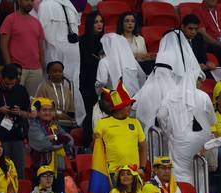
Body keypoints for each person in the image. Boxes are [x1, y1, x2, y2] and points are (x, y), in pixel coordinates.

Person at [157, 72, 215, 186]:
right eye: (198, 80)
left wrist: (168, 131)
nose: (200, 83)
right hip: (201, 141)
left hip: (180, 141)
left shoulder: (171, 95)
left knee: (180, 171)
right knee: (199, 171)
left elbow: (161, 116)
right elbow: (212, 119)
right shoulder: (203, 95)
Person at [38, 0, 86, 127]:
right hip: (72, 50)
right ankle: (73, 115)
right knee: (73, 82)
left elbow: (42, 32)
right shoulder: (71, 6)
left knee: (52, 82)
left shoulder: (45, 5)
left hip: (54, 49)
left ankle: (54, 116)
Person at [0, 64, 32, 179]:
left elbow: (30, 114)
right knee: (2, 173)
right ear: (2, 78)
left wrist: (19, 112)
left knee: (19, 173)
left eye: (12, 83)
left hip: (18, 137)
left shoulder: (21, 90)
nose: (10, 86)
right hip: (0, 139)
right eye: (7, 84)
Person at [94, 81, 147, 175]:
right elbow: (96, 147)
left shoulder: (135, 122)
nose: (130, 108)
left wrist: (142, 168)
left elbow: (143, 146)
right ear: (118, 108)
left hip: (134, 172)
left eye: (130, 105)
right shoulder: (102, 123)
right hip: (113, 173)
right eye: (127, 105)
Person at [28, 97, 72, 193]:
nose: (48, 113)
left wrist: (55, 138)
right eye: (44, 110)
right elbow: (43, 145)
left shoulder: (56, 125)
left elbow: (70, 141)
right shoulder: (33, 126)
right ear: (38, 112)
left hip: (58, 172)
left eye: (50, 110)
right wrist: (60, 140)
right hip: (41, 172)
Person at [0, 0, 45, 96]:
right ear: (19, 2)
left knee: (32, 102)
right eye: (26, 0)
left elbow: (41, 47)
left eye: (32, 0)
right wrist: (10, 68)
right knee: (15, 100)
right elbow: (3, 45)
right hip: (17, 69)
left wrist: (42, 67)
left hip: (35, 70)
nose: (30, 3)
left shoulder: (36, 22)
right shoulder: (10, 19)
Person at [80, 11, 105, 146]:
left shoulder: (106, 41)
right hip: (87, 84)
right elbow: (85, 63)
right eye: (96, 22)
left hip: (103, 85)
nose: (99, 24)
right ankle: (87, 146)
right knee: (90, 116)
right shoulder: (82, 41)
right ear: (90, 24)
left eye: (101, 21)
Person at [96, 33, 147, 98]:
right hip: (134, 98)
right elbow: (142, 76)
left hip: (115, 100)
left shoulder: (104, 61)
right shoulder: (130, 59)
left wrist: (97, 89)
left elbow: (102, 81)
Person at [35, 61, 76, 130]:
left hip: (66, 124)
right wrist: (58, 114)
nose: (58, 74)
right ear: (48, 72)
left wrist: (66, 117)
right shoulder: (43, 88)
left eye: (60, 71)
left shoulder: (66, 90)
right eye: (54, 71)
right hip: (48, 124)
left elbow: (71, 111)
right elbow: (38, 108)